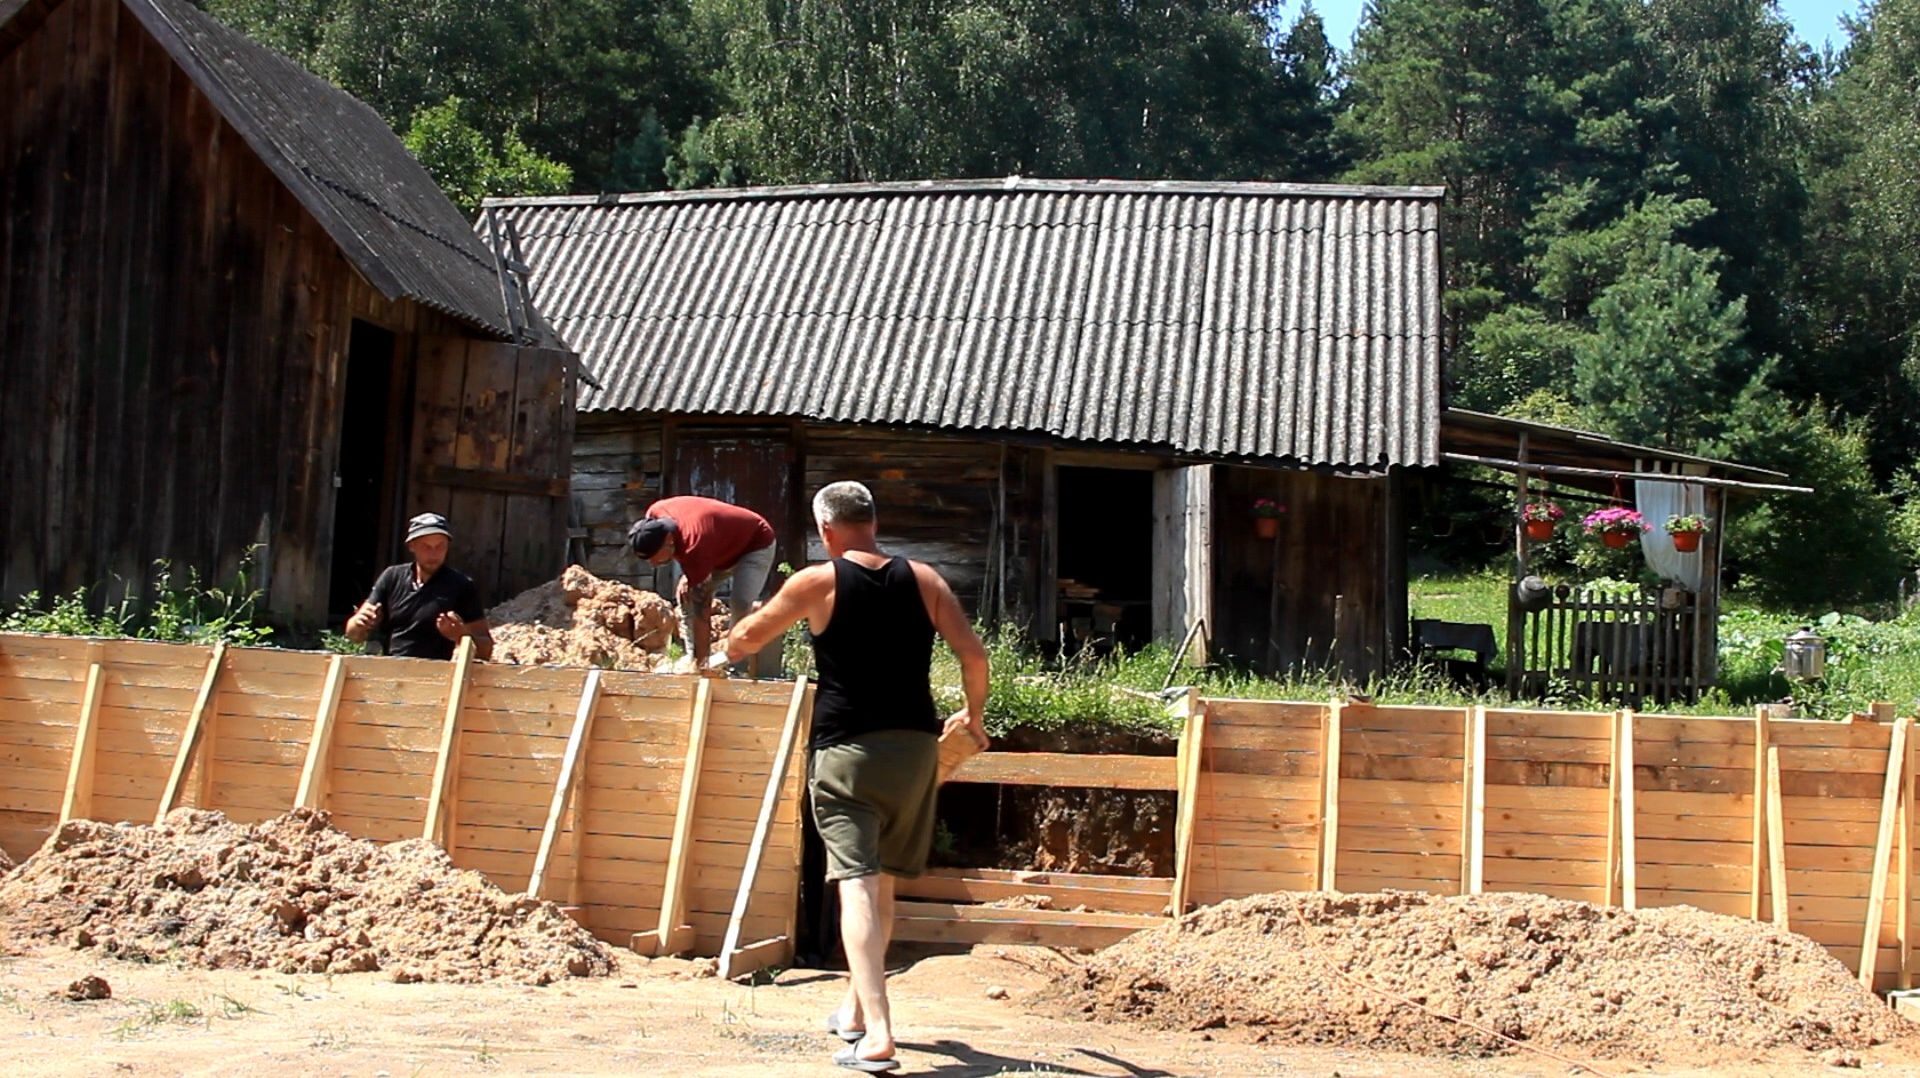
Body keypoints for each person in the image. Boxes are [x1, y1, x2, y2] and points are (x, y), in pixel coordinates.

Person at [718, 481, 989, 1073]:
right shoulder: (924, 578)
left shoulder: (817, 581)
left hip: (847, 752)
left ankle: (880, 1033)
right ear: (873, 521)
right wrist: (974, 714)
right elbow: (975, 655)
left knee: (858, 886)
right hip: (915, 750)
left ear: (825, 531)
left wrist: (726, 644)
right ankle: (855, 1010)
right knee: (883, 882)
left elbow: (750, 636)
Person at [626, 495, 777, 672]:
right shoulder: (654, 515)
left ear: (668, 541)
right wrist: (690, 574)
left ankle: (736, 666)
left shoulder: (694, 544)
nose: (652, 564)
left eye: (654, 557)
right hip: (715, 548)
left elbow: (702, 614)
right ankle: (692, 658)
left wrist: (702, 665)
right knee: (686, 596)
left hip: (754, 544)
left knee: (741, 602)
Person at [343, 512, 493, 660]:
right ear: (411, 546)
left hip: (437, 674)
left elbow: (486, 650)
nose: (434, 554)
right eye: (426, 547)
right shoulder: (392, 577)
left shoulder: (461, 585)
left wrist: (462, 635)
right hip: (390, 669)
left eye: (440, 546)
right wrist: (360, 624)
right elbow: (353, 634)